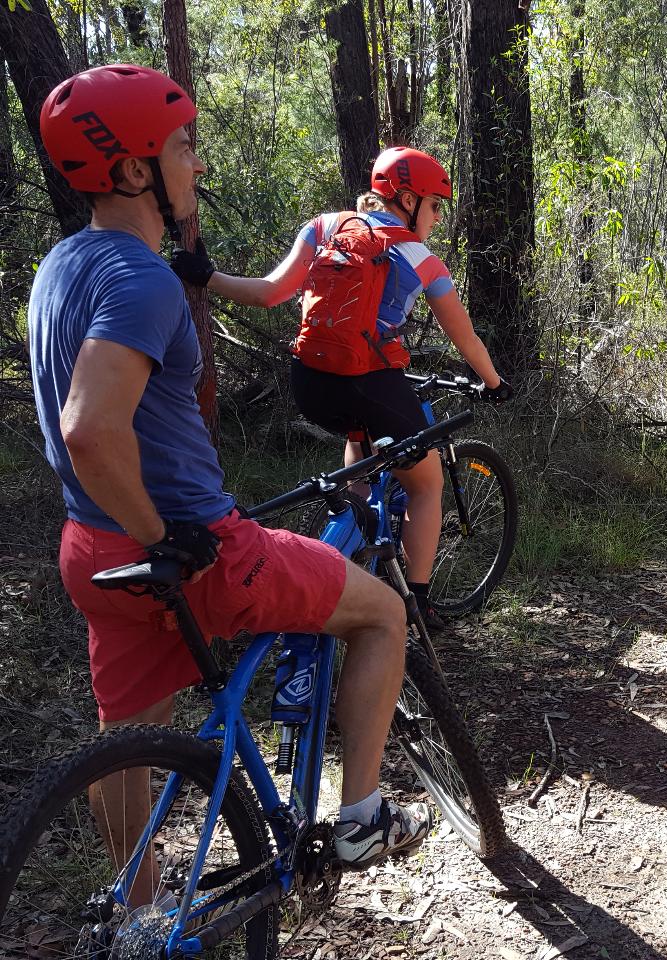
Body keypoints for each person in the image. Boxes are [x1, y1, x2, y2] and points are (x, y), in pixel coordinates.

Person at [28, 64, 432, 892]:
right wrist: (163, 534)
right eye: (183, 146)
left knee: (124, 741)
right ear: (135, 169)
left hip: (90, 550)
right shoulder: (140, 278)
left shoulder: (58, 266)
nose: (198, 164)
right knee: (383, 612)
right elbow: (89, 428)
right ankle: (360, 820)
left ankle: (137, 917)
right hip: (191, 547)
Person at [171, 147, 509, 631]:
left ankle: (354, 535)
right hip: (366, 383)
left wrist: (206, 276)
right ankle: (418, 601)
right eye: (435, 205)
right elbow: (467, 339)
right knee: (428, 484)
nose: (437, 218)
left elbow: (269, 292)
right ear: (408, 199)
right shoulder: (424, 261)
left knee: (359, 437)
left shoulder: (325, 227)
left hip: (308, 382)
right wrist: (494, 383)